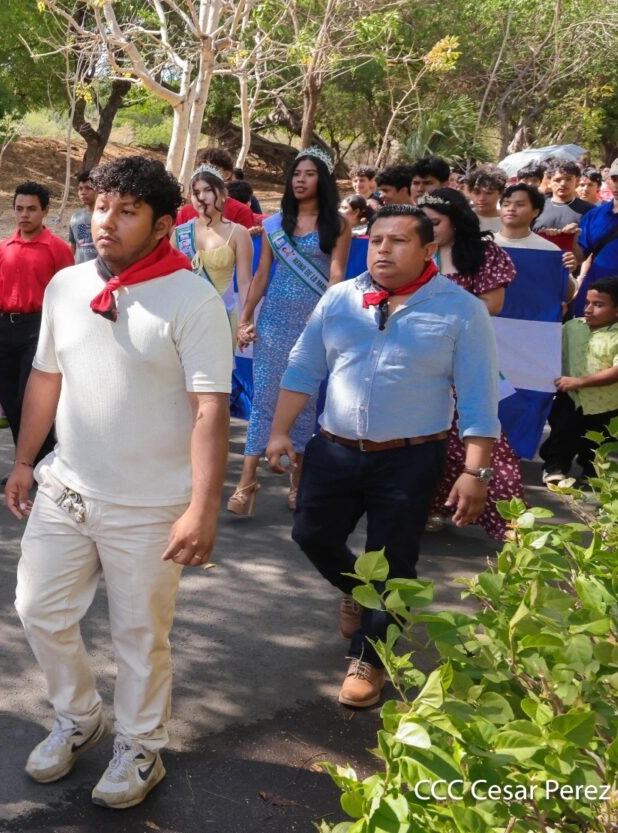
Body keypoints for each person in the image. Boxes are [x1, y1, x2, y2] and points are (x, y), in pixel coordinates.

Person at [4, 156, 232, 809]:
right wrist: (23, 460)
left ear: (163, 224)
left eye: (127, 210)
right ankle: (79, 717)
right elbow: (46, 377)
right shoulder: (66, 284)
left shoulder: (191, 297)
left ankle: (140, 744)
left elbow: (210, 408)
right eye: (103, 205)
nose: (108, 220)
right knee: (39, 608)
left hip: (153, 505)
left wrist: (202, 508)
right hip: (67, 487)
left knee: (139, 634)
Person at [269, 204, 499, 708]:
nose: (383, 250)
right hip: (334, 449)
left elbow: (480, 398)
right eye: (375, 241)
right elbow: (303, 368)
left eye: (397, 241)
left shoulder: (461, 310)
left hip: (410, 458)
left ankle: (370, 657)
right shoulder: (339, 299)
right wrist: (280, 432)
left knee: (396, 561)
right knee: (312, 533)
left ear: (427, 249)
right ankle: (358, 589)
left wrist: (474, 471)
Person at [232, 147, 350, 516]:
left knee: (303, 403)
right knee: (265, 399)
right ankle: (246, 483)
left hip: (313, 323)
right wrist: (247, 316)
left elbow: (336, 275)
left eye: (310, 173)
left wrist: (326, 317)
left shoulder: (339, 225)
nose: (300, 179)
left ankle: (297, 481)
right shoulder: (274, 224)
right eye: (296, 173)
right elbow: (262, 275)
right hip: (274, 320)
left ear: (323, 180)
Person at [417, 189, 524, 541]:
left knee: (483, 440)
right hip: (417, 361)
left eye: (435, 223)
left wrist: (439, 310)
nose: (427, 229)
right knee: (423, 439)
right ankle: (429, 507)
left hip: (464, 358)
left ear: (457, 221)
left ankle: (513, 526)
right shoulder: (413, 250)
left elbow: (491, 304)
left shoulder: (484, 253)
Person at [0, 182, 74, 464]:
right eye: (19, 209)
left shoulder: (57, 249)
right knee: (10, 403)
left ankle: (42, 462)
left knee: (31, 401)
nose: (24, 215)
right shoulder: (4, 248)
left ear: (45, 211)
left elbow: (69, 294)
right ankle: (27, 462)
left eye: (32, 209)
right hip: (3, 329)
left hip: (39, 330)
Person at [540, 276, 618, 484]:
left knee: (596, 441)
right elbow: (550, 341)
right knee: (562, 433)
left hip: (608, 403)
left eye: (598, 305)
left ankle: (592, 474)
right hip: (571, 396)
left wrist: (580, 382)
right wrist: (556, 318)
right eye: (587, 303)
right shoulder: (573, 326)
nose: (589, 309)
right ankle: (555, 468)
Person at [172, 166, 254, 316]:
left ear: (223, 194)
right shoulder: (180, 233)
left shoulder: (239, 233)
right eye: (196, 193)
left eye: (208, 190)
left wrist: (247, 320)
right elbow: (170, 277)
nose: (202, 197)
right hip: (185, 315)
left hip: (222, 314)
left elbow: (244, 282)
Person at [571, 155, 618, 319]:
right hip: (593, 303)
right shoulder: (594, 215)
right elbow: (579, 257)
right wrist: (572, 240)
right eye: (615, 178)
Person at [176, 147, 256, 229]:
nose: (206, 175)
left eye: (213, 169)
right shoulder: (185, 212)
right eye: (201, 169)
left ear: (227, 174)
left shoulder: (241, 211)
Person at [532, 160, 595, 251]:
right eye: (557, 180)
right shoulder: (536, 207)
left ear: (577, 181)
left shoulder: (590, 211)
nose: (563, 184)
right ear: (549, 182)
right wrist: (542, 233)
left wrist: (579, 233)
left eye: (568, 179)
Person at [464, 165, 506, 233]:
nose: (481, 198)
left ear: (501, 193)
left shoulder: (509, 220)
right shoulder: (463, 218)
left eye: (489, 193)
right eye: (476, 193)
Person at [68, 169, 98, 263]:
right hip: (79, 272)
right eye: (80, 189)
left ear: (98, 190)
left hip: (102, 274)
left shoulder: (106, 217)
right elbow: (73, 248)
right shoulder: (76, 218)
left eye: (88, 188)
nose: (83, 192)